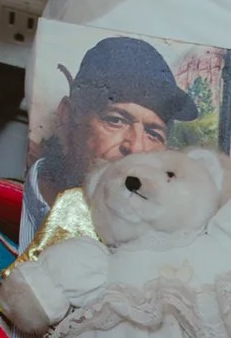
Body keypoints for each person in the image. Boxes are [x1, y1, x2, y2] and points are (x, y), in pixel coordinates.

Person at [22, 33, 193, 245]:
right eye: (116, 120)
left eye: (153, 133)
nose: (136, 148)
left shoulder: (165, 246)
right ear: (68, 114)